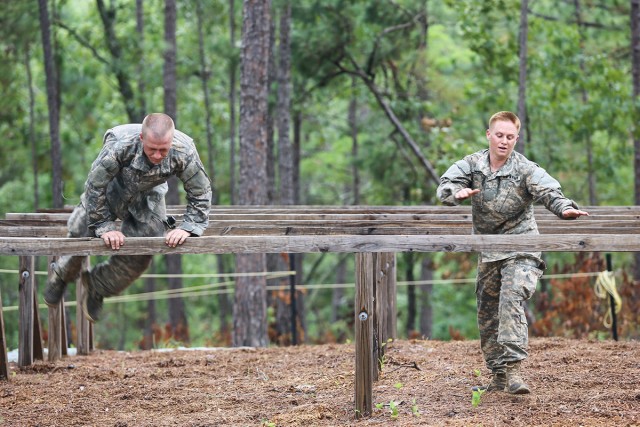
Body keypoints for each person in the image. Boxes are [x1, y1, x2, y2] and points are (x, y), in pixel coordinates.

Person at [436, 111, 589, 395]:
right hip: (489, 249)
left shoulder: (525, 168)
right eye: (499, 135)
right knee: (487, 311)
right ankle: (498, 375)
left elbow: (548, 190)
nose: (504, 142)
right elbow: (447, 183)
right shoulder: (473, 164)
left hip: (523, 246)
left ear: (516, 138)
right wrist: (454, 193)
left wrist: (563, 207)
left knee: (511, 298)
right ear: (489, 135)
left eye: (510, 137)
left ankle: (515, 370)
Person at [43, 113, 212, 322]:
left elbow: (201, 192)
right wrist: (104, 226)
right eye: (152, 149)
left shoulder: (184, 150)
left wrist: (188, 227)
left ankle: (97, 286)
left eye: (163, 150)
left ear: (172, 140)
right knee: (81, 230)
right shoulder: (120, 145)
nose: (158, 155)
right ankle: (61, 274)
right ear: (142, 139)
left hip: (149, 194)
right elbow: (96, 185)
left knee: (147, 245)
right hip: (111, 188)